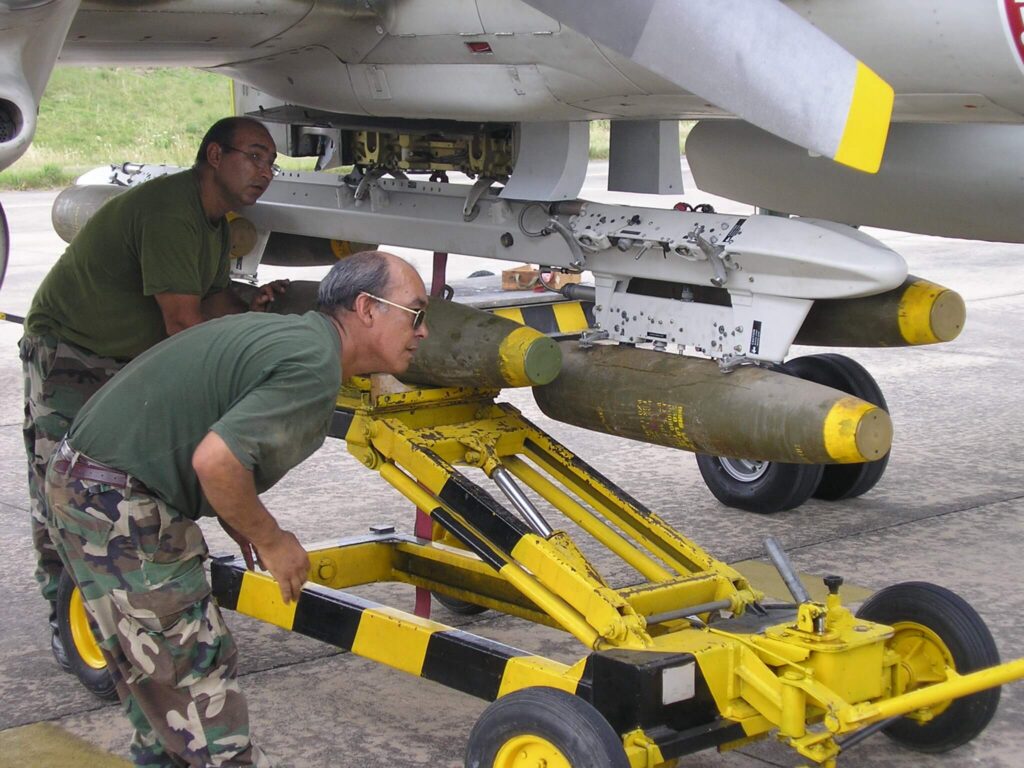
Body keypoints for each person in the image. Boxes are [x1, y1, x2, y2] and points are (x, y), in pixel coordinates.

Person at [44, 250, 428, 767]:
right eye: (416, 312)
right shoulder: (313, 362)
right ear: (366, 308)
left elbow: (208, 425)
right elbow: (217, 460)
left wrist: (235, 515)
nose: (423, 331)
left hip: (85, 489)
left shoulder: (293, 338)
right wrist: (271, 539)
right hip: (119, 505)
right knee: (203, 711)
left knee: (162, 709)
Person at [20, 115, 288, 670]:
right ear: (215, 155)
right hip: (72, 352)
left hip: (122, 357)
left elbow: (208, 303)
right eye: (254, 156)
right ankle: (68, 621)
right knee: (61, 490)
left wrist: (248, 305)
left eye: (272, 162)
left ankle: (125, 602)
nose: (265, 172)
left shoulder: (212, 220)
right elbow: (182, 327)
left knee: (117, 484)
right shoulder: (172, 211)